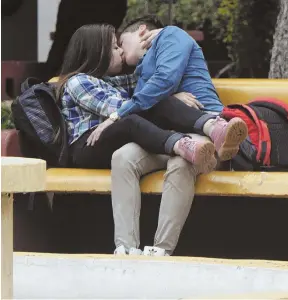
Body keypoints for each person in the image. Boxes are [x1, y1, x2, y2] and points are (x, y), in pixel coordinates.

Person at [58, 24, 248, 256]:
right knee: (123, 156)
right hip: (130, 138)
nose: (121, 53)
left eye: (121, 45)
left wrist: (165, 34)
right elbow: (138, 101)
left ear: (142, 33)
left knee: (180, 160)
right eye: (115, 47)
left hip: (193, 131)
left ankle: (161, 249)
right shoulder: (86, 80)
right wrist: (160, 98)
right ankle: (125, 247)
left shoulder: (172, 39)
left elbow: (159, 82)